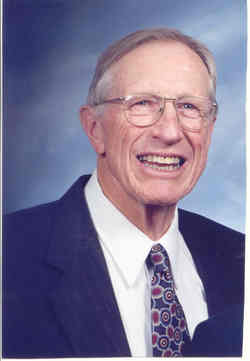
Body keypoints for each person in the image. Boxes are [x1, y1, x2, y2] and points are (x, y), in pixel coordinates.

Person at [3, 28, 244, 358]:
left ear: (210, 129)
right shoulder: (11, 255)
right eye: (143, 104)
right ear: (95, 129)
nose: (170, 132)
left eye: (189, 106)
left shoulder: (240, 257)